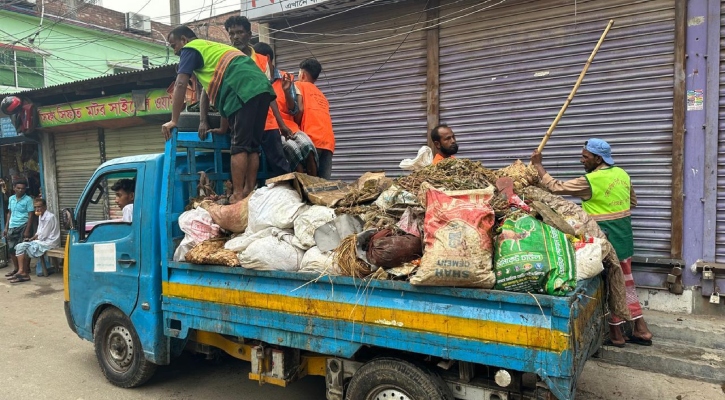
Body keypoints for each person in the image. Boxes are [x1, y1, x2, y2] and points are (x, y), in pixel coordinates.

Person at [530, 138, 653, 348]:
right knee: (623, 282)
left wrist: (538, 165)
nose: (581, 160)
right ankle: (629, 330)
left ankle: (624, 333)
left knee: (612, 286)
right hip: (624, 237)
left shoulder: (591, 181)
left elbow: (555, 187)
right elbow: (633, 201)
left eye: (585, 157)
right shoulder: (622, 174)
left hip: (606, 240)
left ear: (598, 158)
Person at [162, 25, 276, 203]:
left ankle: (238, 195)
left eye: (173, 45)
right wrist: (224, 128)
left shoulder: (191, 49)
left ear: (184, 40)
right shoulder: (214, 49)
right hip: (260, 87)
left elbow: (180, 84)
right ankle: (249, 192)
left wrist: (174, 120)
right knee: (253, 146)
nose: (174, 50)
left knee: (239, 146)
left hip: (242, 86)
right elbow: (223, 91)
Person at [200, 18, 292, 179]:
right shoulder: (223, 58)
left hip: (266, 121)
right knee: (240, 155)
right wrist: (203, 120)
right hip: (238, 118)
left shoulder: (262, 61)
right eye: (232, 34)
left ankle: (289, 197)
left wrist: (281, 124)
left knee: (278, 165)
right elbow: (213, 92)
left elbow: (269, 94)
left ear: (249, 35)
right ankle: (243, 195)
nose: (236, 37)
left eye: (240, 32)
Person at [254, 42, 319, 176]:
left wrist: (286, 92)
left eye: (256, 60)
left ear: (266, 58)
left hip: (291, 128)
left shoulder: (286, 79)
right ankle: (300, 186)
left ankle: (313, 186)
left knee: (309, 148)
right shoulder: (255, 80)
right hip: (272, 130)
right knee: (293, 150)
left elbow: (294, 110)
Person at [296, 58, 335, 180]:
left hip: (311, 141)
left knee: (308, 184)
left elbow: (299, 109)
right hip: (328, 143)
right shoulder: (321, 95)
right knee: (324, 185)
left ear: (302, 74)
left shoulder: (298, 85)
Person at [9, 198, 60, 282]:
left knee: (22, 247)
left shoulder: (49, 217)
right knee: (20, 246)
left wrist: (33, 240)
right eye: (35, 207)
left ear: (45, 207)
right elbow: (39, 231)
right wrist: (31, 239)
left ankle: (22, 272)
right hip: (42, 241)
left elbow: (43, 235)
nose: (37, 209)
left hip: (49, 242)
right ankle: (23, 272)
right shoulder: (41, 216)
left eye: (39, 207)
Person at [3, 181, 34, 279]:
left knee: (23, 248)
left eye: (23, 188)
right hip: (12, 226)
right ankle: (16, 269)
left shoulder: (28, 199)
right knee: (12, 249)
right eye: (19, 188)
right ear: (14, 188)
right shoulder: (11, 198)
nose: (21, 190)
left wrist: (27, 230)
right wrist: (6, 227)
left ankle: (25, 269)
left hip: (23, 225)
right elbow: (9, 213)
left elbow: (31, 215)